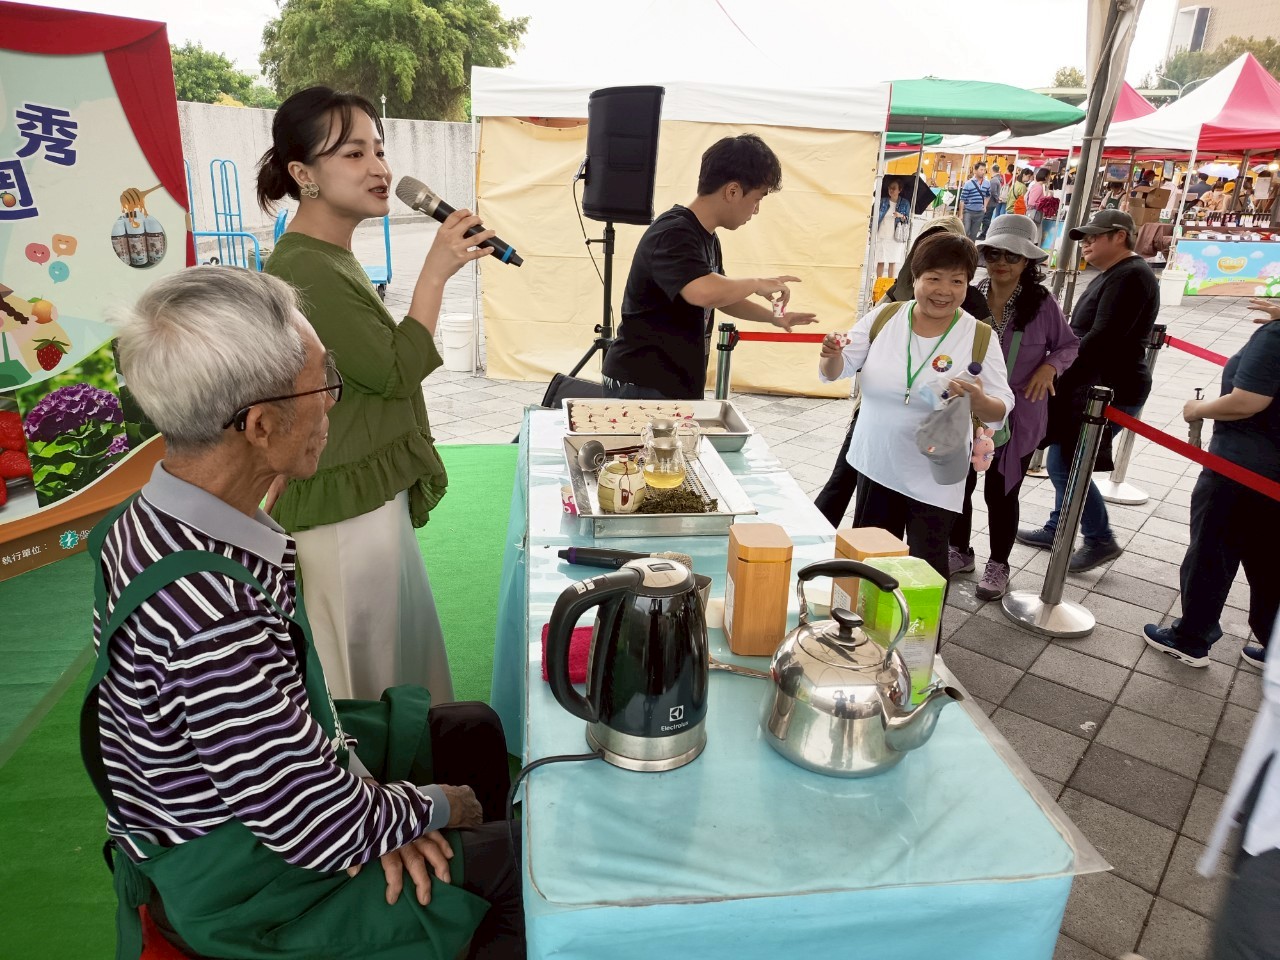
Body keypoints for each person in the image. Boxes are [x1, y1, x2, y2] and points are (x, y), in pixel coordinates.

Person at [88, 267, 523, 960]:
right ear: (260, 426)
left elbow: (274, 745)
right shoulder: (211, 615)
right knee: (513, 861)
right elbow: (311, 826)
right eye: (326, 386)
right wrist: (436, 810)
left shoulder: (147, 519)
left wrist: (372, 806)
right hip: (247, 890)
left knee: (472, 730)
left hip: (252, 806)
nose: (332, 409)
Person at [257, 86, 477, 703]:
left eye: (378, 150)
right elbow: (396, 370)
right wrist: (435, 272)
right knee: (364, 671)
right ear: (304, 175)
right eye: (353, 154)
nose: (379, 168)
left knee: (388, 649)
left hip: (360, 492)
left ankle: (405, 778)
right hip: (341, 511)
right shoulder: (306, 271)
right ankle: (373, 792)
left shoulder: (326, 256)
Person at [818, 233, 1014, 577]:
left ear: (968, 283)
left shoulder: (980, 335)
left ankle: (918, 632)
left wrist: (980, 400)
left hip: (934, 476)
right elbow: (837, 370)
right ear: (915, 278)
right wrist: (830, 356)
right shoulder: (885, 318)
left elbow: (1001, 408)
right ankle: (865, 631)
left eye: (957, 281)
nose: (944, 290)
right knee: (870, 567)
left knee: (924, 572)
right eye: (934, 278)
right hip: (876, 463)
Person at [601, 134, 818, 400]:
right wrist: (756, 283)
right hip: (642, 383)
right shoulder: (674, 232)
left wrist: (773, 318)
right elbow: (701, 292)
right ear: (733, 191)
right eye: (757, 198)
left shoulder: (707, 237)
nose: (756, 210)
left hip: (671, 382)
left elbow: (721, 297)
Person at [1017, 210, 1159, 572]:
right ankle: (1058, 526)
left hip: (1110, 387)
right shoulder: (1118, 273)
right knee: (1063, 460)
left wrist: (1055, 367)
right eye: (1085, 238)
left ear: (1120, 236)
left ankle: (1099, 538)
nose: (1087, 244)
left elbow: (1103, 338)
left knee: (1068, 463)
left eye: (1095, 237)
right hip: (1094, 383)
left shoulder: (1132, 276)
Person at [1143, 299, 1279, 670]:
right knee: (1269, 562)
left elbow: (1247, 401)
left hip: (1241, 469)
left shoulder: (1274, 336)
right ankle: (1275, 644)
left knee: (1211, 553)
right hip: (1271, 479)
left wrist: (1196, 409)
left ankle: (1191, 637)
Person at [948, 215, 1079, 599]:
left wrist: (1048, 366)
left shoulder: (1042, 304)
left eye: (1014, 255)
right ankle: (960, 550)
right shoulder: (968, 295)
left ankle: (999, 564)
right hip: (970, 409)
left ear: (1028, 263)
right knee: (960, 485)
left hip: (1021, 412)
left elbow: (1069, 345)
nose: (1002, 262)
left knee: (1002, 492)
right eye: (993, 253)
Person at [875, 177, 912, 279]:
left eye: (894, 188)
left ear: (900, 190)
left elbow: (908, 220)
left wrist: (901, 216)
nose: (891, 190)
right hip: (882, 234)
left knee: (892, 261)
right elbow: (874, 215)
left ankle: (890, 285)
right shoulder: (882, 201)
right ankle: (878, 284)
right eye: (889, 188)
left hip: (895, 236)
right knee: (880, 260)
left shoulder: (905, 203)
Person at [959, 161, 990, 241]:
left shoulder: (987, 183)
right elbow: (962, 199)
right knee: (965, 231)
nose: (983, 172)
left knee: (974, 234)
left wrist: (985, 207)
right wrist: (961, 214)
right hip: (968, 211)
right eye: (981, 170)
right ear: (975, 170)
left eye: (984, 170)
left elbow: (988, 195)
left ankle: (970, 251)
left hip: (980, 212)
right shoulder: (968, 183)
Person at [983, 162, 1007, 233]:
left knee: (985, 218)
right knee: (988, 217)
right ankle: (984, 233)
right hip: (994, 202)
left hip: (990, 202)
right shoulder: (999, 179)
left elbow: (993, 191)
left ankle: (992, 230)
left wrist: (997, 198)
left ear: (992, 170)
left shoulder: (993, 180)